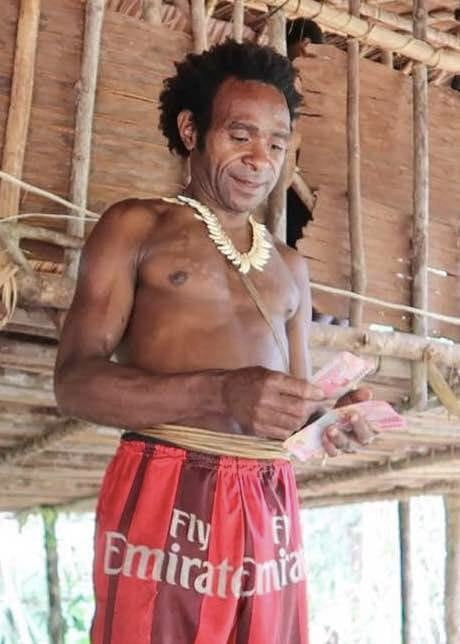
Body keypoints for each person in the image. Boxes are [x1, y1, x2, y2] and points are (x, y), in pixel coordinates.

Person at [54, 40, 373, 644]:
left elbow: (293, 422)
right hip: (166, 486)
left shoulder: (290, 267)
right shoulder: (135, 226)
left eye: (277, 144)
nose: (260, 159)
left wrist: (334, 417)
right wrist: (221, 393)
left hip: (269, 505)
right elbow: (74, 383)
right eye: (241, 135)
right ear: (191, 128)